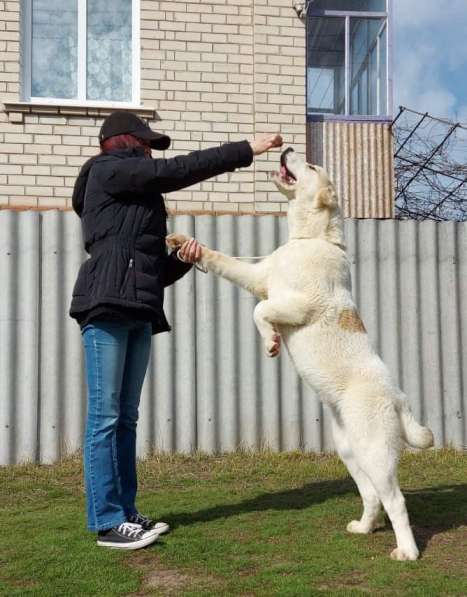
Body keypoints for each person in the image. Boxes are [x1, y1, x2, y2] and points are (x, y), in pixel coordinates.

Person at [70, 111, 283, 550]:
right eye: (144, 142)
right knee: (105, 418)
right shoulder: (108, 170)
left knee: (125, 418)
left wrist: (181, 261)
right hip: (106, 306)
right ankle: (107, 521)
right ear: (122, 141)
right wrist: (246, 150)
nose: (149, 150)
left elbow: (149, 271)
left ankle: (126, 513)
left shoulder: (135, 196)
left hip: (138, 308)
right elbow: (175, 170)